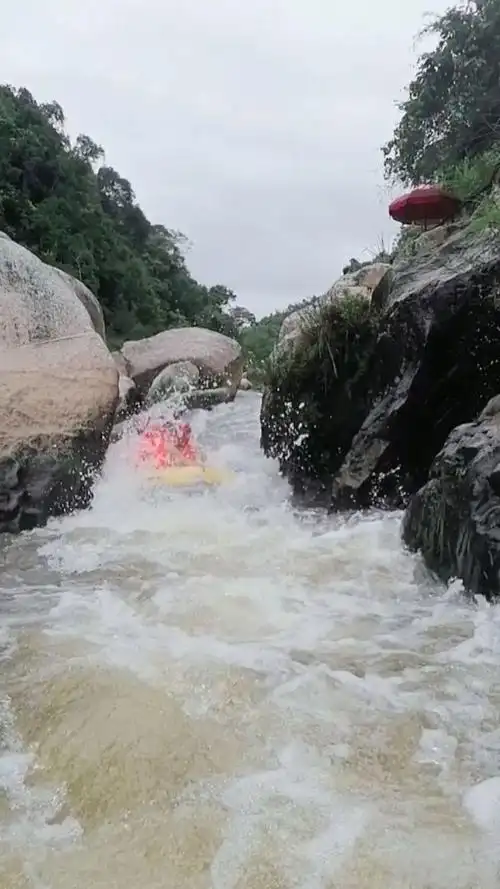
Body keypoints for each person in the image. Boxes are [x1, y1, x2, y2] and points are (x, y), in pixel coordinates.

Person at [136, 415, 200, 469]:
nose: (187, 439)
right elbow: (185, 460)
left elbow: (197, 453)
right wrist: (203, 467)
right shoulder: (168, 444)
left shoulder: (183, 442)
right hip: (149, 460)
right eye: (185, 437)